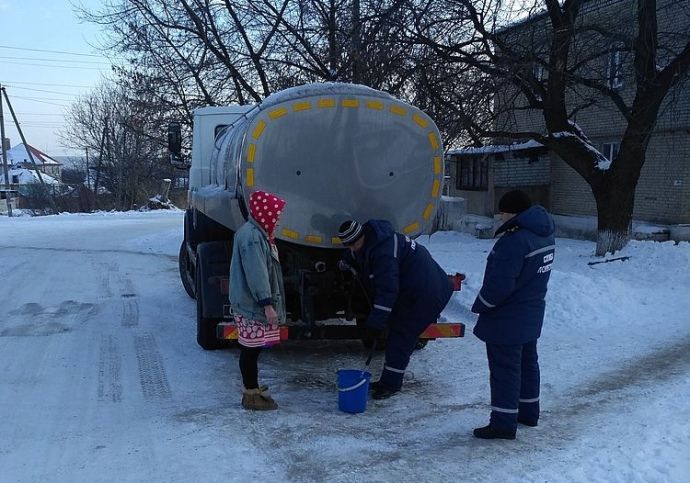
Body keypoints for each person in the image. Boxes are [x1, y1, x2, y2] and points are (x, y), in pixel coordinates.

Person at [471, 190, 555, 440]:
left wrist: (480, 305)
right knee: (528, 364)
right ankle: (529, 412)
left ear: (513, 213)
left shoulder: (513, 242)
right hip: (531, 313)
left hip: (507, 318)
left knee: (505, 370)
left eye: (503, 212)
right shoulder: (545, 235)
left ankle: (503, 423)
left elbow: (500, 286)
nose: (500, 216)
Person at [337, 219, 454, 400]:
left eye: (353, 244)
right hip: (415, 287)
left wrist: (375, 324)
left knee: (401, 335)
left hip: (427, 293)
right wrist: (346, 261)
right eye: (348, 246)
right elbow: (359, 255)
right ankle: (389, 380)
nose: (352, 248)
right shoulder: (373, 241)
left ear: (362, 236)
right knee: (397, 331)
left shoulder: (384, 253)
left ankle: (390, 385)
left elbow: (388, 290)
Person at [229, 190, 287, 411]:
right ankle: (250, 394)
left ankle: (251, 388)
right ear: (265, 213)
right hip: (252, 305)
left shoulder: (256, 233)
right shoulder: (253, 238)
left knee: (252, 349)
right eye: (277, 213)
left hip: (249, 303)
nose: (279, 218)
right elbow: (257, 274)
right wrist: (267, 304)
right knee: (251, 349)